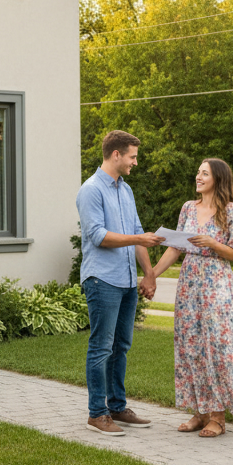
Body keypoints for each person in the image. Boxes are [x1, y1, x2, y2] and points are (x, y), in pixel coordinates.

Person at [150, 158, 233, 437]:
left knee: (216, 348)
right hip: (189, 285)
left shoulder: (232, 212)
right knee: (191, 347)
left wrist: (214, 244)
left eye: (204, 173)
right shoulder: (188, 208)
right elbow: (175, 248)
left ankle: (218, 416)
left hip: (216, 286)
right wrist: (152, 274)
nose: (198, 176)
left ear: (218, 178)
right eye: (198, 172)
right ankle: (200, 412)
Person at [76, 130, 165, 436]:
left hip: (127, 281)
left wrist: (149, 273)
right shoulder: (90, 190)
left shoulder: (125, 190)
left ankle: (116, 406)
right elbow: (98, 236)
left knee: (121, 347)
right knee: (101, 347)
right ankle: (97, 413)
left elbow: (137, 231)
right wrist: (139, 238)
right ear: (116, 155)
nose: (135, 163)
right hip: (102, 279)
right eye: (132, 156)